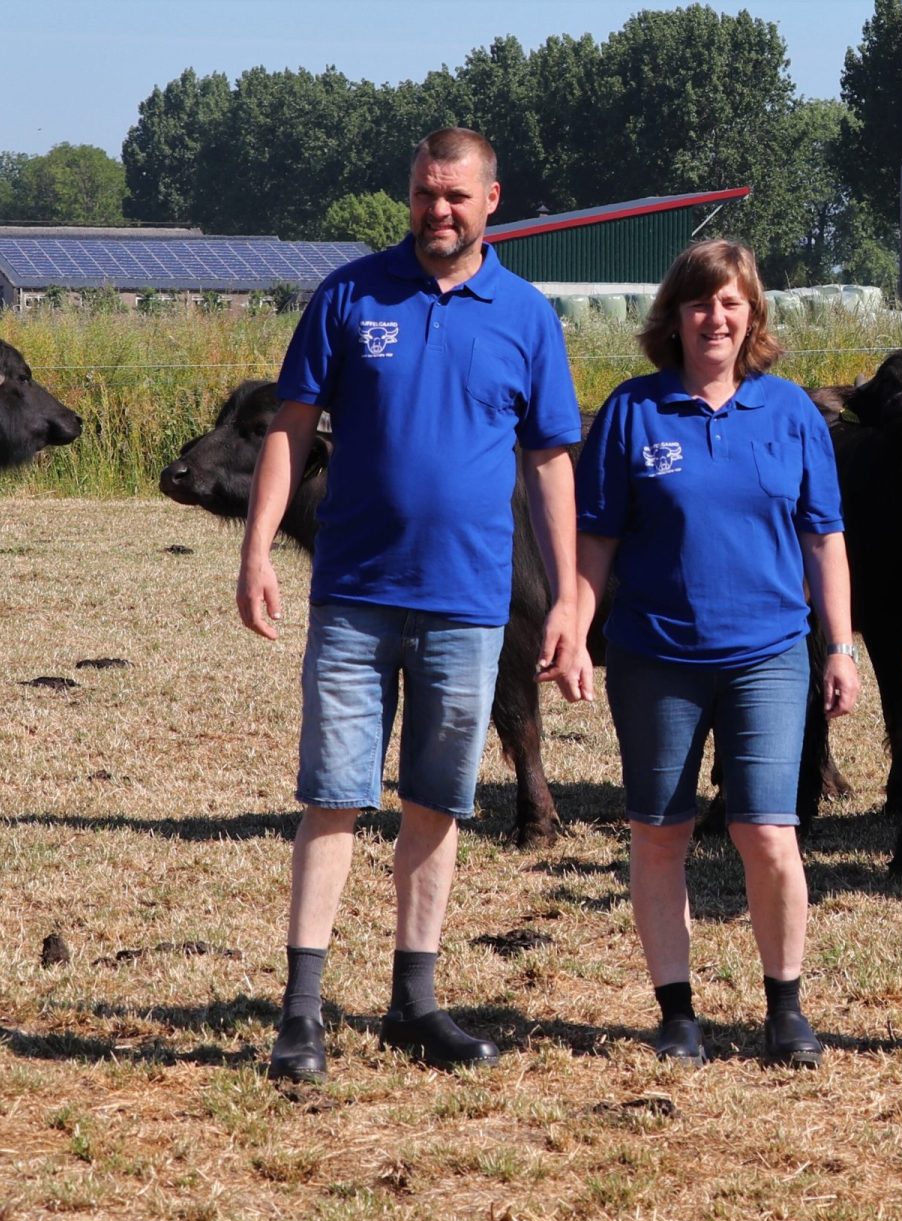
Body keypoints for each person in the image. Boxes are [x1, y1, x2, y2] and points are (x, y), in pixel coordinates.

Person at [236, 128, 583, 1083]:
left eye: (457, 197)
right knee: (334, 797)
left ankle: (414, 1003)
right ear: (411, 195)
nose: (440, 211)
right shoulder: (348, 295)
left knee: (437, 803)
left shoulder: (526, 317)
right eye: (427, 194)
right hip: (355, 595)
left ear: (492, 201)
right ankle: (300, 1013)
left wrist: (567, 599)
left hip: (470, 605)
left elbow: (555, 460)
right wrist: (257, 546)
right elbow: (291, 425)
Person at [567, 239, 859, 1068]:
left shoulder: (793, 413)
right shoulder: (632, 411)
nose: (715, 317)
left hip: (770, 651)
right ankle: (677, 1013)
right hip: (655, 655)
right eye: (699, 302)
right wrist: (577, 633)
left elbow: (824, 538)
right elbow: (597, 542)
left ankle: (787, 1009)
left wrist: (840, 646)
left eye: (731, 302)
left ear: (753, 315)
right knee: (660, 832)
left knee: (768, 831)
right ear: (675, 317)